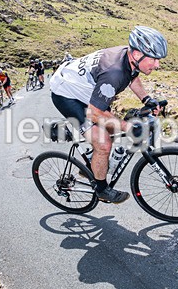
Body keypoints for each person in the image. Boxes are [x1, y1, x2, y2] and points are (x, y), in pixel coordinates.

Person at [49, 25, 167, 204]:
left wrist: (146, 99)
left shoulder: (129, 58)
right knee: (103, 143)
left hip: (85, 87)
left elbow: (132, 77)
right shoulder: (114, 73)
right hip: (66, 93)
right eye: (154, 59)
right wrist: (128, 127)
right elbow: (95, 113)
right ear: (137, 54)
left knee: (110, 127)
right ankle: (102, 189)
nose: (157, 64)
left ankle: (91, 159)